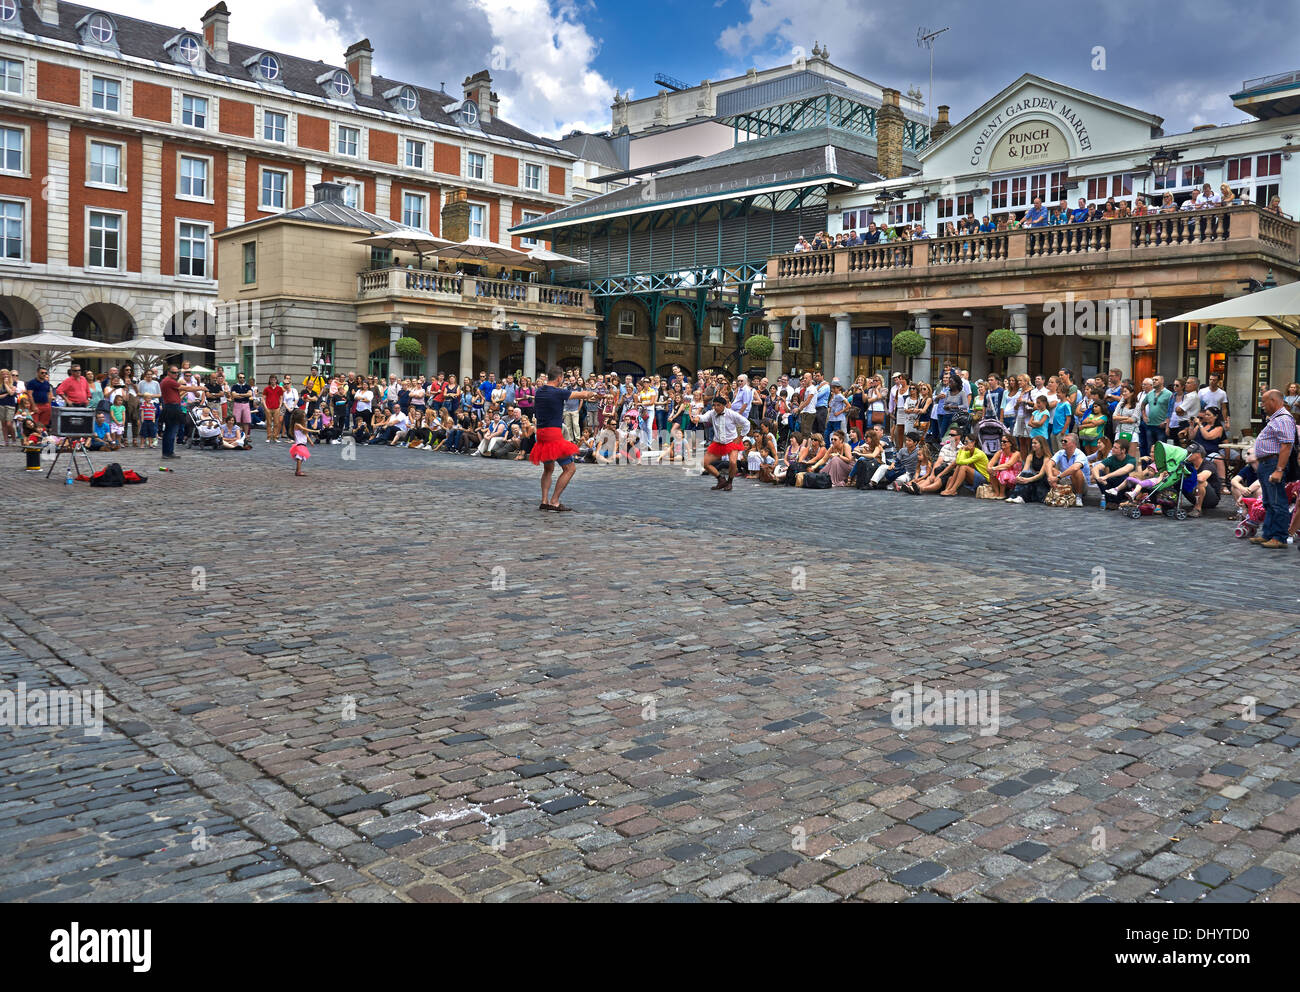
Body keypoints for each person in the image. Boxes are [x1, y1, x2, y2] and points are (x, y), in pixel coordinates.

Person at [531, 366, 597, 511]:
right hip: (553, 434)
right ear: (559, 378)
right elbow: (581, 394)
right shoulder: (558, 392)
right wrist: (593, 393)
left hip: (541, 433)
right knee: (570, 468)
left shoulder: (539, 391)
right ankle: (554, 501)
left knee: (548, 468)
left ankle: (544, 501)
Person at [1251, 389, 1297, 548]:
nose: (1262, 405)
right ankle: (1268, 534)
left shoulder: (1283, 419)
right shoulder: (1275, 419)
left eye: (1264, 402)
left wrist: (1279, 469)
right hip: (1267, 463)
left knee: (1278, 501)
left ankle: (1279, 537)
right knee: (1269, 501)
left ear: (1273, 401)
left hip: (1273, 463)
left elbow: (1286, 446)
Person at [694, 394, 751, 491]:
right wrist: (697, 418)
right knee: (705, 463)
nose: (716, 407)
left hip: (732, 442)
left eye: (718, 405)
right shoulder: (712, 413)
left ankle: (730, 482)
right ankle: (721, 479)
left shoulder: (731, 414)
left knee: (733, 462)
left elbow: (747, 423)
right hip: (718, 443)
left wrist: (740, 437)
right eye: (714, 405)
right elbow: (703, 417)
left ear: (724, 405)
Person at [1047, 433, 1090, 506]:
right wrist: (1051, 477)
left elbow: (1075, 468)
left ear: (1073, 443)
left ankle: (1079, 497)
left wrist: (1058, 478)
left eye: (1065, 441)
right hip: (1066, 480)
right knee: (1052, 470)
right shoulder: (1060, 452)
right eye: (1062, 441)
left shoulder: (1080, 454)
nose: (1063, 442)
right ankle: (1060, 493)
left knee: (1076, 471)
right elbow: (1049, 463)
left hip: (1081, 485)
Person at [158, 365, 185, 459]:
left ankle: (169, 452)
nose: (176, 374)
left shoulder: (168, 381)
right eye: (174, 372)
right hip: (172, 407)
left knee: (171, 430)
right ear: (168, 372)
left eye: (177, 372)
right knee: (171, 431)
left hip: (172, 406)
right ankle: (167, 452)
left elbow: (177, 396)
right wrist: (200, 388)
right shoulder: (169, 381)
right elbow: (185, 388)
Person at [287, 409, 314, 476]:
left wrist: (310, 441)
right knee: (299, 457)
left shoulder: (301, 424)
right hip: (299, 443)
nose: (304, 418)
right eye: (303, 417)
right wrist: (314, 431)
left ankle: (297, 470)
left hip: (303, 443)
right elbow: (305, 430)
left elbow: (306, 434)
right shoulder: (297, 425)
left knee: (301, 458)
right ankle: (298, 471)